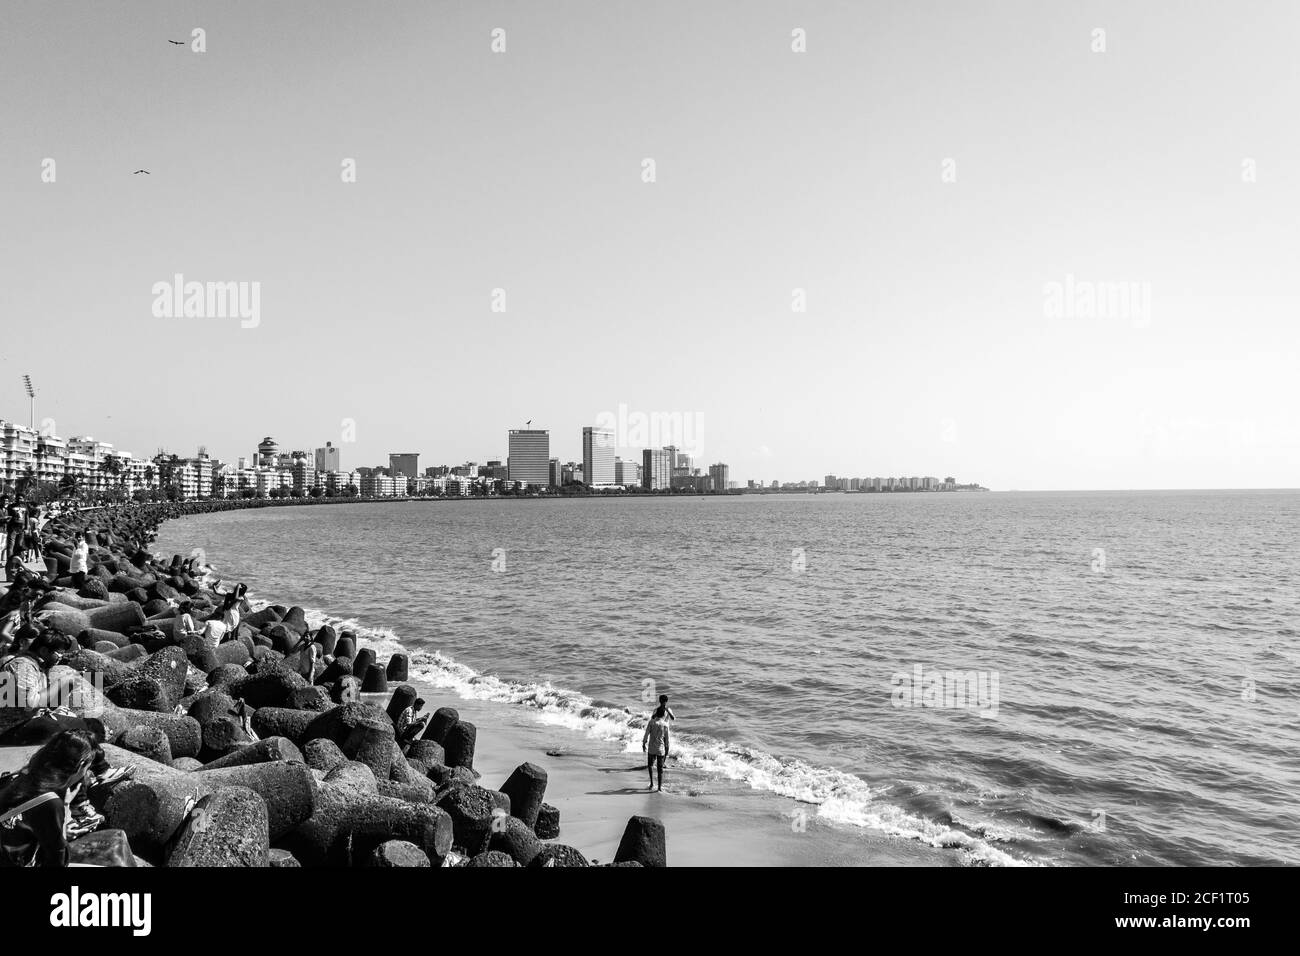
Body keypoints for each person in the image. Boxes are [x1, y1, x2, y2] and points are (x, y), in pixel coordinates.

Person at [0, 730, 99, 867]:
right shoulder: (50, 802)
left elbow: (22, 826)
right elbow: (58, 861)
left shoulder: (19, 776)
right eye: (88, 767)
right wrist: (64, 810)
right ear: (80, 765)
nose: (86, 773)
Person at [0, 629, 75, 710]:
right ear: (43, 651)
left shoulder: (38, 667)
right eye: (59, 653)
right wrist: (62, 682)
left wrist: (67, 685)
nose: (60, 658)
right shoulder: (23, 665)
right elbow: (29, 702)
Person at [641, 704, 672, 792]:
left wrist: (643, 744)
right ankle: (659, 788)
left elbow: (646, 734)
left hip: (651, 748)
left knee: (650, 765)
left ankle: (651, 783)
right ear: (663, 715)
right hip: (660, 749)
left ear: (656, 713)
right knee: (660, 769)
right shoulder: (665, 725)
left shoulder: (651, 722)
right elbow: (667, 739)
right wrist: (666, 748)